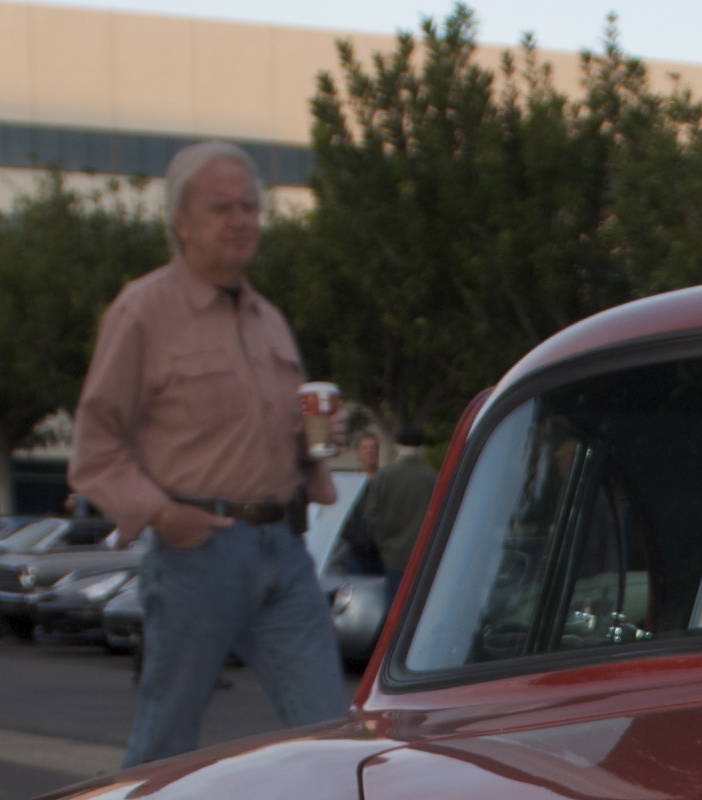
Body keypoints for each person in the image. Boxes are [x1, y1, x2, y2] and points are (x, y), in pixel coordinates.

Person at [68, 140, 346, 766]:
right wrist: (163, 515)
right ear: (181, 223)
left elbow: (274, 434)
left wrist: (317, 439)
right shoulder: (143, 310)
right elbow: (95, 445)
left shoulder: (269, 319)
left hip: (284, 549)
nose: (240, 220)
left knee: (331, 732)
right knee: (165, 746)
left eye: (249, 207)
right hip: (199, 551)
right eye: (221, 208)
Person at [338, 421, 438, 581]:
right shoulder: (350, 484)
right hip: (361, 553)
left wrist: (384, 544)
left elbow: (373, 516)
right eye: (366, 448)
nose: (370, 451)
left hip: (388, 557)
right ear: (357, 452)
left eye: (374, 447)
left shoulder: (384, 477)